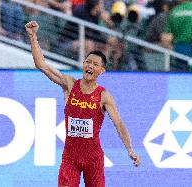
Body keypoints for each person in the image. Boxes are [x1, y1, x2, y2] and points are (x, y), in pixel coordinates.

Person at [25, 21, 141, 187]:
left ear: (102, 71)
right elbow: (42, 65)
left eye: (95, 64)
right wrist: (33, 37)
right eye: (88, 62)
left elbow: (119, 123)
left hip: (93, 158)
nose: (90, 66)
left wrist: (130, 149)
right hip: (70, 156)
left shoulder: (103, 95)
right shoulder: (69, 84)